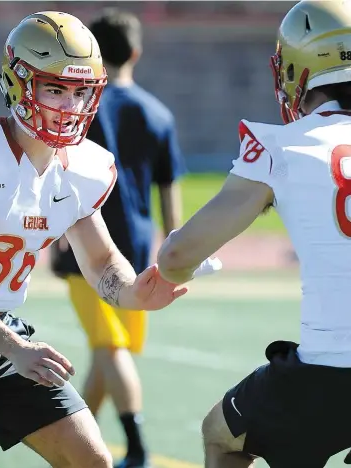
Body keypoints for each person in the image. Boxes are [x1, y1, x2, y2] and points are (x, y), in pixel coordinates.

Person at [0, 11, 215, 467]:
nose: (69, 105)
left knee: (92, 459)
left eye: (81, 92)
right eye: (54, 88)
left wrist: (135, 292)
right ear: (19, 85)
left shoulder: (86, 166)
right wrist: (15, 348)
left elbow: (100, 261)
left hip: (1, 331)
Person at [157, 1, 351, 466]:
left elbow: (177, 256)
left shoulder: (282, 146)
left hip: (331, 371)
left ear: (296, 69)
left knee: (220, 436)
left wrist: (178, 261)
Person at [50, 8, 186, 468]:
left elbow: (59, 172)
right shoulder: (159, 113)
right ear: (137, 52)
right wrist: (176, 250)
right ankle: (79, 440)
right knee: (108, 351)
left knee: (110, 350)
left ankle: (137, 446)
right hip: (141, 247)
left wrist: (54, 239)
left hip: (89, 247)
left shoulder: (83, 105)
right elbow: (170, 189)